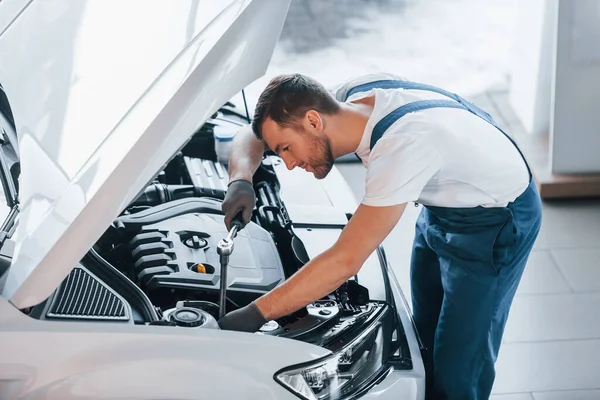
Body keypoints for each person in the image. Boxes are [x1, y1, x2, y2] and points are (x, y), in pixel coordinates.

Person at [217, 72, 542, 400]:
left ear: (314, 121)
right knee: (424, 340)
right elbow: (251, 132)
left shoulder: (400, 148)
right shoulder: (351, 97)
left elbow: (345, 260)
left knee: (459, 370)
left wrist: (255, 314)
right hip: (444, 203)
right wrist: (241, 178)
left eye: (286, 148)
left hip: (498, 220)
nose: (286, 163)